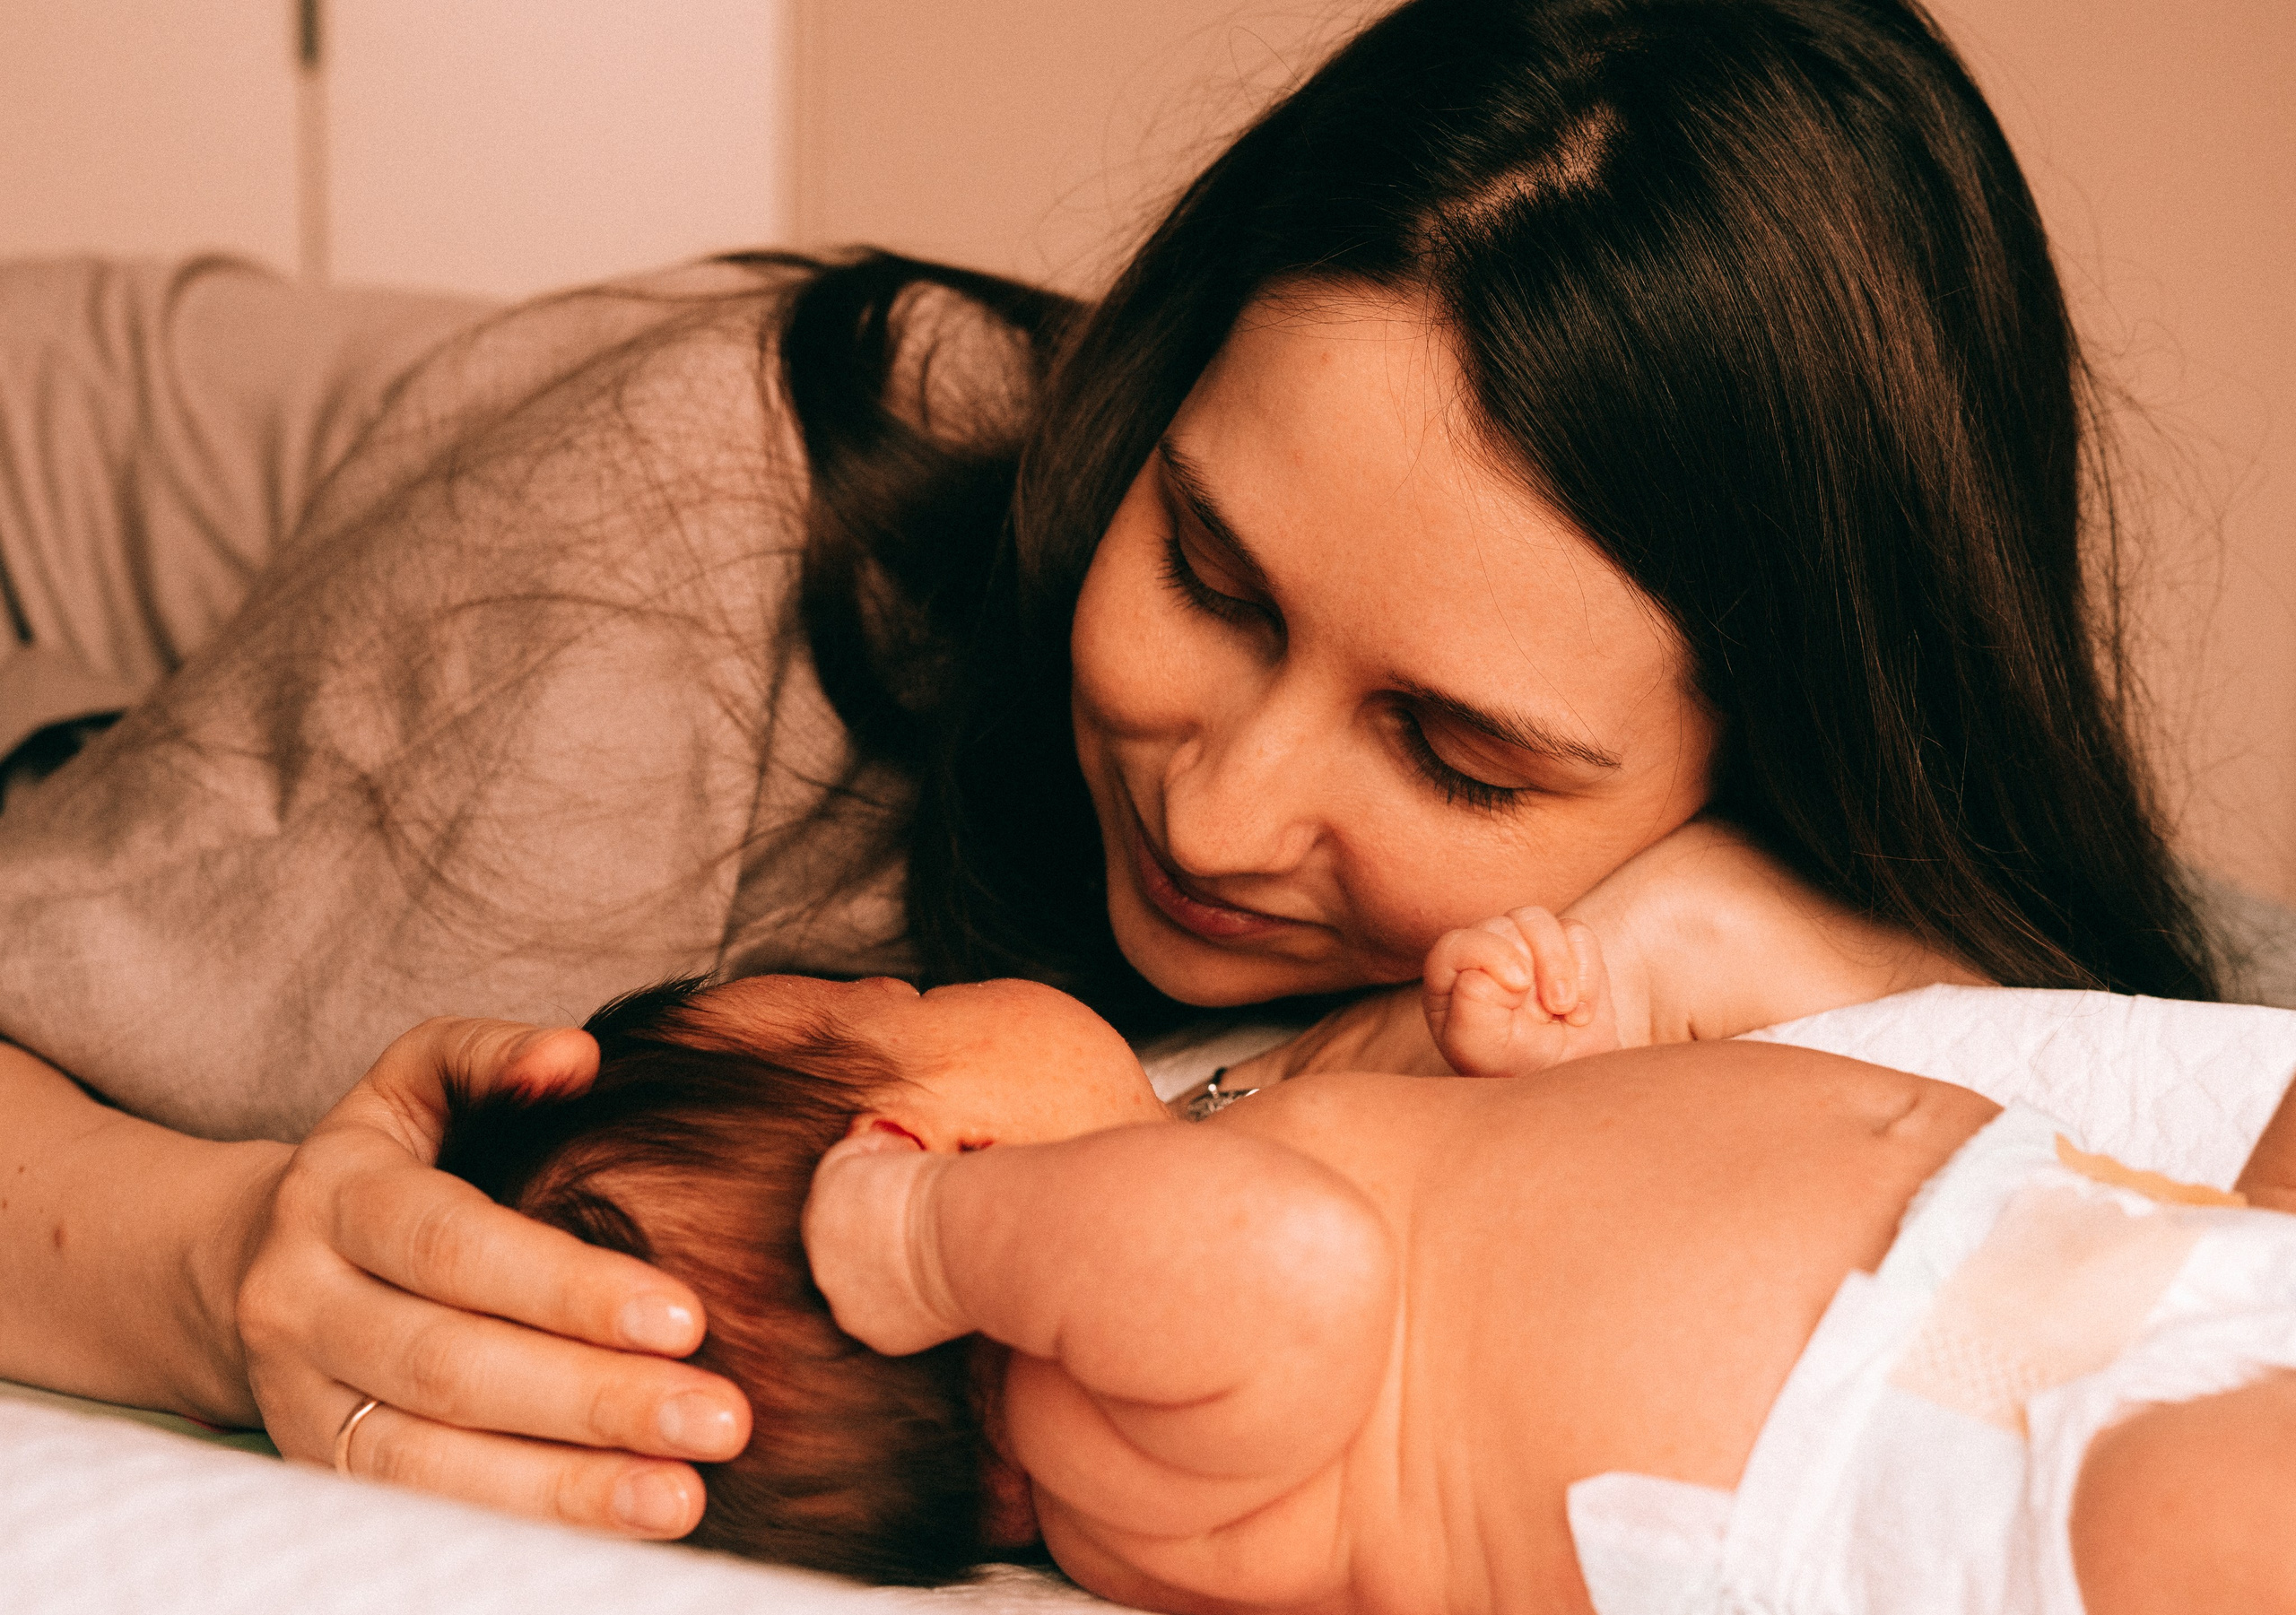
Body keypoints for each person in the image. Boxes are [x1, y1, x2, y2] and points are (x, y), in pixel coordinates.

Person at [0, 0, 2227, 1539]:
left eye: (1454, 749)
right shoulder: (659, 667)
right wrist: (213, 1260)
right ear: (1142, 409)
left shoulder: (1770, 954)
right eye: (1209, 574)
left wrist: (1802, 971)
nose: (1220, 812)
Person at [435, 963, 2296, 1611]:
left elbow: (1524, 1244)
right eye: (894, 1007)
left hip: (2104, 1280)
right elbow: (1286, 1268)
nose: (944, 976)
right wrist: (924, 1258)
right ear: (917, 1158)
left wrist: (1544, 1066)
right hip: (1947, 1495)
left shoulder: (1286, 1174)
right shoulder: (1110, 1429)